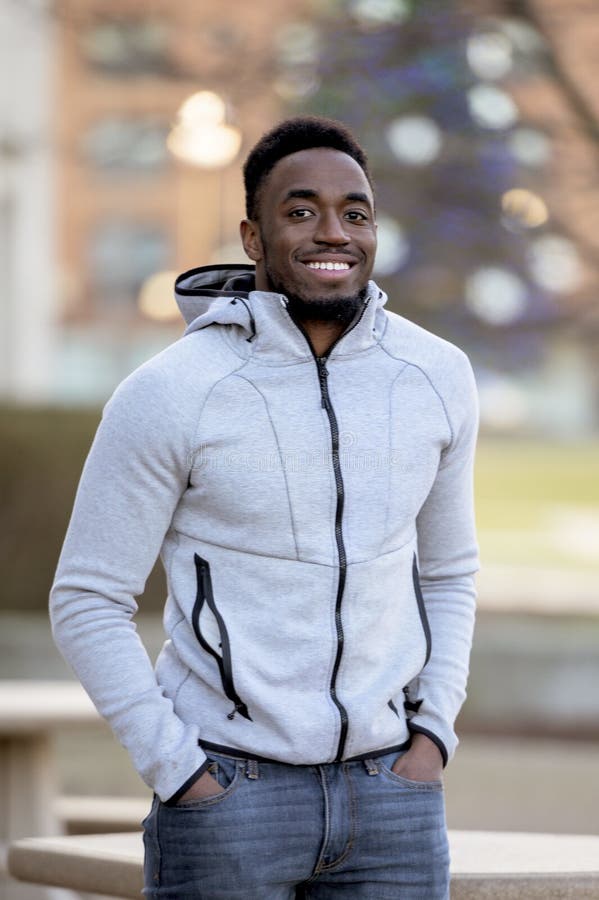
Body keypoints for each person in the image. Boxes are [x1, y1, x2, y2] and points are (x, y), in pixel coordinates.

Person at [50, 115, 479, 899]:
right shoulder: (171, 392)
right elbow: (87, 598)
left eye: (355, 212)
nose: (333, 232)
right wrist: (179, 770)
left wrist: (432, 737)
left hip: (394, 795)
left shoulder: (436, 376)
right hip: (229, 799)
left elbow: (448, 572)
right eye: (300, 209)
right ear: (252, 236)